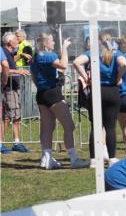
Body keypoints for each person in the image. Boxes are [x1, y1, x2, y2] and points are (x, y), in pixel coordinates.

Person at [30, 33, 87, 168]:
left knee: (47, 128)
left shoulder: (35, 57)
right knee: (69, 125)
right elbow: (63, 65)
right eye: (52, 41)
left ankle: (47, 159)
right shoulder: (49, 55)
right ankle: (73, 159)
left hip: (41, 93)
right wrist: (64, 48)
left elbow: (33, 77)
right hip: (52, 93)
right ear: (45, 43)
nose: (54, 43)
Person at [73, 33, 126, 164]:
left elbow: (76, 62)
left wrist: (86, 78)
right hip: (112, 91)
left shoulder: (92, 52)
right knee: (110, 127)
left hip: (96, 90)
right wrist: (118, 77)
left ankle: (93, 159)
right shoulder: (116, 53)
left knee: (95, 126)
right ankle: (112, 157)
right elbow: (124, 65)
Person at [1, 31, 30, 154]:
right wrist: (18, 72)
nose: (18, 42)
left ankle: (17, 142)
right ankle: (1, 143)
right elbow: (3, 69)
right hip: (9, 88)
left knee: (17, 116)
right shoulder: (3, 51)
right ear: (9, 42)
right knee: (8, 117)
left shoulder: (10, 53)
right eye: (15, 40)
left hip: (15, 87)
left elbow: (11, 62)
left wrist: (21, 55)